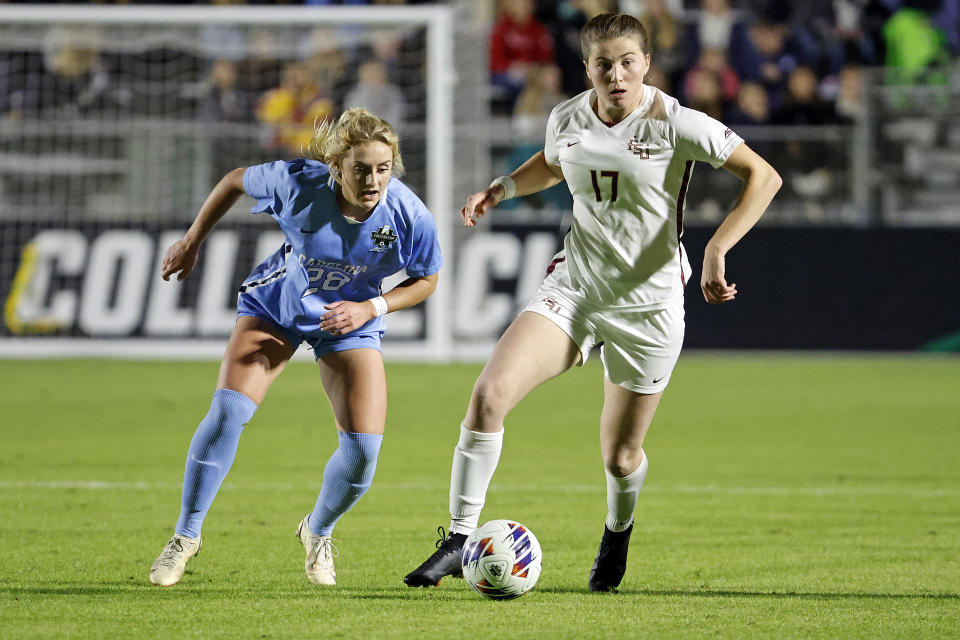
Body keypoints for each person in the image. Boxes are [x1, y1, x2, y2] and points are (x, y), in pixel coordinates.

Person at [403, 12, 780, 592]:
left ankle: (617, 528)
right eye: (604, 64)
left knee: (621, 457)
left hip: (649, 306)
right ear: (588, 69)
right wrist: (500, 188)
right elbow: (554, 163)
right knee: (487, 396)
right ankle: (458, 537)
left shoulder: (676, 121)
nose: (617, 74)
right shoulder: (568, 117)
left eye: (629, 61)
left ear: (646, 63)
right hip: (576, 286)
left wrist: (716, 249)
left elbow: (764, 176)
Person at [149, 107, 442, 588]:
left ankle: (317, 530)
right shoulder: (297, 184)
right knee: (227, 413)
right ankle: (185, 536)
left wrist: (373, 308)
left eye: (384, 169)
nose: (374, 180)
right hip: (278, 308)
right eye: (361, 169)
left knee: (364, 452)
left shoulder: (410, 215)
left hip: (351, 321)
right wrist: (193, 239)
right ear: (336, 167)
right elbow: (234, 180)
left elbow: (427, 279)